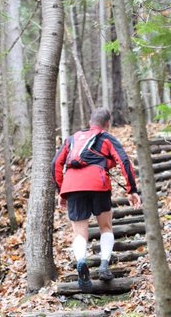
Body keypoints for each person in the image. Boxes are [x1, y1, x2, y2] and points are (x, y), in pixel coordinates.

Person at [52, 107, 141, 292]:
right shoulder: (106, 138)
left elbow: (56, 164)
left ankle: (81, 261)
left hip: (73, 186)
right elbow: (124, 160)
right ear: (107, 123)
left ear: (90, 121)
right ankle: (103, 265)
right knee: (106, 227)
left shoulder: (72, 139)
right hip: (98, 184)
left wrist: (62, 190)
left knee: (79, 234)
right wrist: (131, 189)